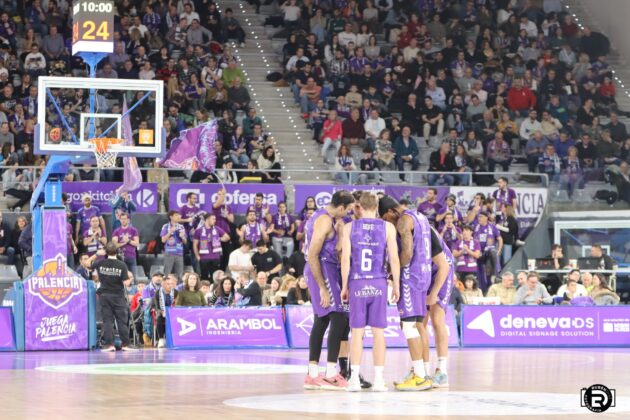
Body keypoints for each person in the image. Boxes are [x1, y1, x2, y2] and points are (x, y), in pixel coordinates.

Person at [379, 195, 450, 391]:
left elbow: (408, 252)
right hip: (424, 276)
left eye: (386, 218)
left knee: (410, 326)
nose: (387, 223)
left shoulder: (403, 220)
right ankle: (422, 372)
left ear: (392, 212)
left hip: (411, 277)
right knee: (418, 325)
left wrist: (393, 272)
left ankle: (420, 376)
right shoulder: (421, 218)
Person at [340, 192, 400, 392]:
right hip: (379, 282)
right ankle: (379, 380)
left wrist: (344, 286)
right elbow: (394, 259)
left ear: (359, 206)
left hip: (358, 282)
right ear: (377, 207)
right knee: (378, 333)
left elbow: (345, 260)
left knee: (356, 332)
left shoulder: (349, 227)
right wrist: (397, 285)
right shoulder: (388, 227)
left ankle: (354, 379)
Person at [303, 190, 355, 391]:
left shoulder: (329, 218)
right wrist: (323, 288)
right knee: (339, 317)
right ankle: (331, 373)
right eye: (348, 209)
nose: (349, 213)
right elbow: (312, 255)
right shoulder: (325, 221)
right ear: (341, 207)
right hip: (321, 268)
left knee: (322, 319)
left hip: (326, 267)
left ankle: (313, 374)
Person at [420, 232, 455, 388]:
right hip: (424, 272)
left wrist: (434, 293)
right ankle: (422, 371)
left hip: (443, 271)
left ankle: (442, 371)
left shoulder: (425, 230)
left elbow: (444, 266)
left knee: (437, 318)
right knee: (420, 322)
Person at [93, 242, 135, 352]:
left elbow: (87, 263)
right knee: (121, 321)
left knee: (107, 321)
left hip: (104, 296)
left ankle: (109, 345)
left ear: (105, 252)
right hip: (118, 296)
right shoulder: (121, 265)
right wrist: (130, 278)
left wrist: (97, 254)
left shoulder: (100, 262)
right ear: (117, 251)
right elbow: (126, 283)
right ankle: (125, 344)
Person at [193, 213, 230, 282]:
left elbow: (227, 237)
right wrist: (197, 256)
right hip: (204, 258)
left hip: (215, 257)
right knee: (204, 277)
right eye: (213, 219)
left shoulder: (217, 229)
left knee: (215, 278)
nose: (215, 221)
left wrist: (218, 239)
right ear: (207, 219)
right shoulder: (199, 231)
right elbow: (195, 244)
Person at [160, 211, 187, 279]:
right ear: (171, 217)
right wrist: (170, 232)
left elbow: (185, 242)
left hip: (179, 253)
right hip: (169, 253)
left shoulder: (181, 227)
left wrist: (182, 237)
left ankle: (178, 289)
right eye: (176, 215)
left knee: (180, 275)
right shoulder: (165, 226)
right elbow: (163, 240)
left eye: (179, 215)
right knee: (166, 274)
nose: (178, 217)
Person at [153, 275, 177, 348]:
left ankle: (174, 338)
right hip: (162, 312)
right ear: (163, 285)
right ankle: (161, 339)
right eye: (168, 284)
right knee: (159, 318)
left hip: (173, 312)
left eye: (171, 284)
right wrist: (162, 312)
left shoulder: (175, 292)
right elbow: (157, 306)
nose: (170, 286)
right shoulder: (158, 292)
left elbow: (177, 304)